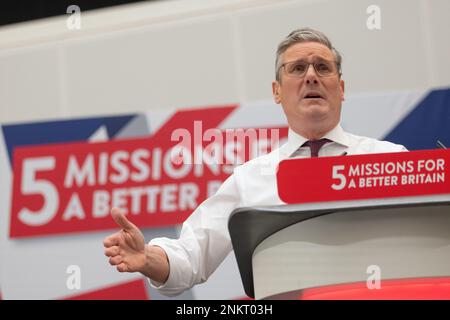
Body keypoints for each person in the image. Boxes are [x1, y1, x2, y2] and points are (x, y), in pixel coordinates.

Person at [103, 27, 407, 296]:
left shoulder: (390, 160)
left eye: (323, 67)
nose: (311, 76)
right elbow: (191, 255)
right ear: (277, 92)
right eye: (298, 68)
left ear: (341, 89)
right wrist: (146, 258)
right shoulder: (250, 179)